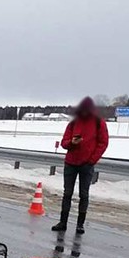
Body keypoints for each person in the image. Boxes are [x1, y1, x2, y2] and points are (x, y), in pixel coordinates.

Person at [52, 97, 109, 234]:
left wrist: (91, 160)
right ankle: (63, 222)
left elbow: (103, 143)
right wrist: (72, 142)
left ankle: (80, 224)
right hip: (71, 162)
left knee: (84, 194)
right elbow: (64, 142)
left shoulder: (98, 122)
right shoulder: (73, 123)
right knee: (67, 193)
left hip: (87, 164)